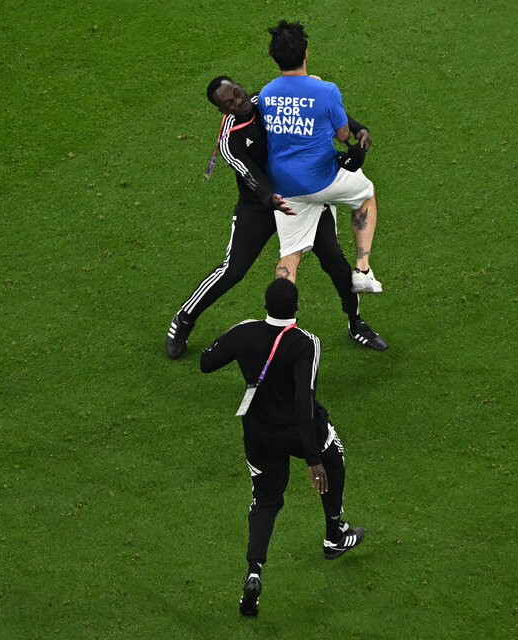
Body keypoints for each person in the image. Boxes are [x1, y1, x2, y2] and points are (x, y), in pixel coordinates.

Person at [167, 76, 386, 358]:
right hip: (259, 205)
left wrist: (358, 129)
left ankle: (356, 323)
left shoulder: (266, 100)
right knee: (233, 270)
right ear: (223, 111)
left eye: (238, 92)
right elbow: (251, 176)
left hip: (297, 194)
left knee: (334, 260)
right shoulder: (230, 139)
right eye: (230, 102)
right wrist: (269, 197)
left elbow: (315, 112)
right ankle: (184, 319)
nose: (239, 100)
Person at [200, 278, 365, 617]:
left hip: (259, 434)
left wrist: (235, 331)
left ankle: (254, 572)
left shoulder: (245, 333)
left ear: (265, 305)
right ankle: (334, 534)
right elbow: (304, 401)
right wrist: (312, 459)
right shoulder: (306, 343)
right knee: (334, 456)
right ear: (297, 307)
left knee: (265, 503)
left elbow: (206, 362)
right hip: (299, 431)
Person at [257, 21, 387, 348]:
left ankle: (277, 330)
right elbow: (344, 136)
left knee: (290, 258)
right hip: (323, 179)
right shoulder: (325, 90)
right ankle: (364, 268)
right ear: (305, 52)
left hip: (286, 189)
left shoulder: (266, 94)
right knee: (366, 194)